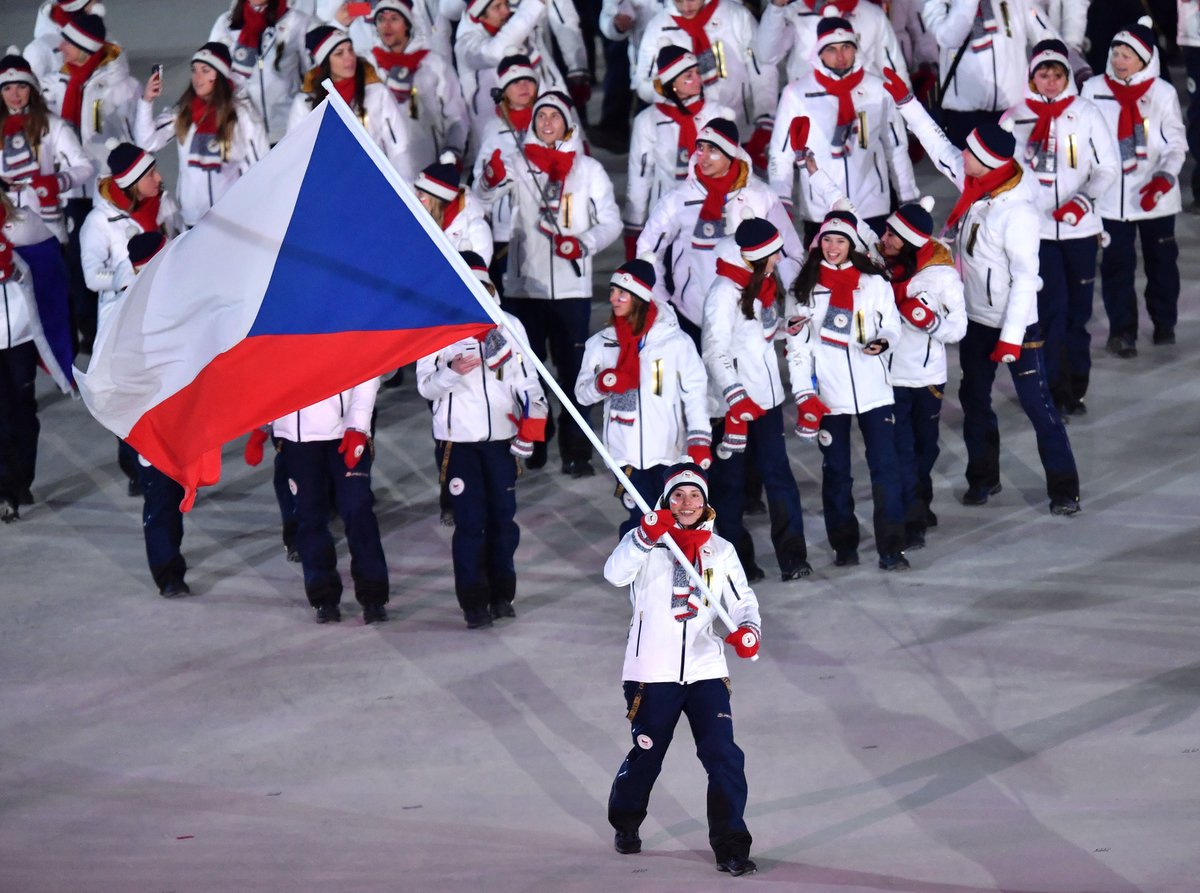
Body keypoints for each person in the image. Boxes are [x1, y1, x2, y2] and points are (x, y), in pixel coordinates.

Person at [885, 66, 1081, 514]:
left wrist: (1012, 335)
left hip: (1015, 325)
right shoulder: (978, 183)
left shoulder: (1018, 213)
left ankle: (1064, 488)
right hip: (974, 318)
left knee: (1038, 405)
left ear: (988, 163)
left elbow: (1027, 278)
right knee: (975, 400)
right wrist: (906, 103)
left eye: (969, 154)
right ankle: (984, 478)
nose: (962, 157)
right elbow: (938, 148)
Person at [604, 463, 760, 877]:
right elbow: (614, 574)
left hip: (705, 667)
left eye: (694, 496)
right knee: (648, 756)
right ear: (666, 501)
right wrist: (642, 537)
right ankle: (625, 819)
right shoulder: (647, 542)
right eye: (678, 496)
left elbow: (742, 599)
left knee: (723, 756)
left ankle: (731, 846)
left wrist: (748, 629)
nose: (686, 503)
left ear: (705, 502)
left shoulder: (720, 549)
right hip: (651, 672)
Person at [472, 90, 621, 477]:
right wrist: (489, 181)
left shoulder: (588, 170)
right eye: (541, 117)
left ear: (568, 123)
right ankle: (536, 440)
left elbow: (611, 222)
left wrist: (584, 243)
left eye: (554, 116)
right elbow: (482, 202)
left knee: (574, 371)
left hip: (572, 291)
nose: (547, 123)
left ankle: (576, 450)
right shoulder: (519, 165)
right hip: (526, 289)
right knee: (529, 370)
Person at [416, 254, 548, 627]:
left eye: (480, 287)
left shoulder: (510, 326)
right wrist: (451, 372)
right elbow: (425, 386)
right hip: (458, 443)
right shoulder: (438, 328)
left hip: (502, 441)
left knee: (503, 521)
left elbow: (530, 380)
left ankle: (502, 594)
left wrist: (530, 425)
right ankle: (473, 602)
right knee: (471, 523)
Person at [784, 209, 908, 569]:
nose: (833, 247)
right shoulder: (804, 289)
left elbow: (893, 327)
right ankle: (844, 545)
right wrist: (805, 395)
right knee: (837, 472)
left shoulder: (874, 283)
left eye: (840, 240)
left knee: (885, 470)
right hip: (831, 397)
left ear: (852, 244)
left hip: (876, 392)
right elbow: (797, 350)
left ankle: (891, 547)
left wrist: (882, 343)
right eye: (827, 239)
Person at [1001, 39, 1117, 413]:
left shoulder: (1085, 113)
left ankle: (1075, 388)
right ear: (1032, 77)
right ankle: (1052, 390)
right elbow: (1001, 175)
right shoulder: (1014, 117)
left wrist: (1082, 202)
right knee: (1050, 313)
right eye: (1043, 75)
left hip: (1079, 231)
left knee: (1077, 315)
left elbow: (1107, 167)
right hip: (1035, 234)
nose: (1050, 82)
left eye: (1057, 74)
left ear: (1066, 76)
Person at [702, 217, 812, 580]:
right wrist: (735, 395)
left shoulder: (762, 282)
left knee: (779, 477)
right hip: (734, 408)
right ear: (759, 256)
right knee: (730, 486)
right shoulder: (723, 292)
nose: (781, 258)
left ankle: (794, 557)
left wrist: (783, 328)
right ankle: (739, 565)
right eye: (775, 253)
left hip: (768, 401)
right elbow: (714, 350)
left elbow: (755, 336)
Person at [575, 257, 711, 536]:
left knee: (674, 522)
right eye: (612, 292)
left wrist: (699, 439)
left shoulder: (674, 342)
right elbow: (582, 395)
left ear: (639, 297)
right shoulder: (601, 343)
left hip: (667, 452)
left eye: (621, 293)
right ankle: (641, 575)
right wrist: (602, 384)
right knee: (643, 521)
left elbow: (695, 393)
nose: (613, 298)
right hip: (624, 455)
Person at [636, 118, 803, 345]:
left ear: (730, 153)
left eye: (712, 149)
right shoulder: (679, 199)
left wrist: (795, 304)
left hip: (749, 314)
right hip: (690, 316)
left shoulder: (760, 195)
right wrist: (663, 302)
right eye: (700, 148)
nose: (702, 156)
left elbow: (789, 252)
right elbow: (647, 249)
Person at [79, 142, 182, 496]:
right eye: (150, 174)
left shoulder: (163, 205)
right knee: (129, 397)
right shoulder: (99, 222)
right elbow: (92, 277)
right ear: (134, 182)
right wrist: (130, 277)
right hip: (121, 324)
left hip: (162, 315)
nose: (159, 177)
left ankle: (164, 462)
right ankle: (137, 466)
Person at [1081, 19, 1186, 355]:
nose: (1119, 60)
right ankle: (1122, 331)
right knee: (1116, 267)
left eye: (1127, 54)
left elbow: (1175, 144)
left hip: (1155, 196)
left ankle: (1164, 322)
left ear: (1143, 59)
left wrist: (1163, 178)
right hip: (1113, 198)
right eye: (1115, 52)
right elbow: (1084, 142)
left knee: (1162, 263)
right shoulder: (1093, 88)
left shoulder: (1162, 92)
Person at [768, 16, 919, 244]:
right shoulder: (796, 93)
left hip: (872, 206)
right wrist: (781, 201)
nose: (840, 56)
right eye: (831, 49)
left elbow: (896, 147)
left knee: (876, 274)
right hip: (822, 209)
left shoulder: (877, 88)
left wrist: (908, 197)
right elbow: (781, 154)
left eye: (846, 47)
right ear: (819, 52)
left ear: (855, 48)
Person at [40, 12, 139, 352]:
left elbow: (134, 134)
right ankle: (88, 331)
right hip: (70, 189)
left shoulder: (117, 86)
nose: (60, 47)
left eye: (67, 42)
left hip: (105, 189)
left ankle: (114, 329)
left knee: (109, 258)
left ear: (83, 47)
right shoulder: (56, 82)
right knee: (75, 262)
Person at [877, 199, 967, 549]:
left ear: (910, 242)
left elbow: (957, 327)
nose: (884, 239)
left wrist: (929, 322)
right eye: (885, 232)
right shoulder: (881, 268)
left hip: (927, 378)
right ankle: (912, 520)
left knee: (925, 449)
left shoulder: (942, 276)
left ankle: (920, 503)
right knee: (903, 452)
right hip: (890, 379)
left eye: (892, 235)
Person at [272, 375, 390, 624]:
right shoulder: (279, 334)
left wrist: (357, 426)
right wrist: (261, 424)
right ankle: (323, 598)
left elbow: (369, 371)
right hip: (297, 439)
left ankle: (373, 597)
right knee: (309, 518)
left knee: (357, 509)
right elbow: (262, 375)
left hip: (344, 432)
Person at [118, 231, 194, 596]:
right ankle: (168, 574)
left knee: (174, 495)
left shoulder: (180, 304)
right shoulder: (123, 317)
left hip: (181, 419)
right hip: (150, 424)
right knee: (161, 499)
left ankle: (171, 562)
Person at [134, 43, 269, 229]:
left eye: (205, 70)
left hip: (234, 220)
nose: (197, 77)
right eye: (194, 70)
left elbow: (261, 167)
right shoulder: (183, 112)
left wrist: (256, 211)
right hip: (193, 220)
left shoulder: (242, 114)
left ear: (219, 75)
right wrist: (146, 101)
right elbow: (147, 142)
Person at [623, 46, 734, 260]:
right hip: (668, 216)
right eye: (688, 75)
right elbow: (639, 177)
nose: (697, 79)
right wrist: (634, 227)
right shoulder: (648, 120)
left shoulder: (718, 114)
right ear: (671, 83)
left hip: (713, 211)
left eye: (697, 73)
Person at [920, 0, 1061, 147]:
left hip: (1012, 108)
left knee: (1015, 168)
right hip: (965, 113)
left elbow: (1047, 37)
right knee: (969, 167)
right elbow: (949, 38)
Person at [634, 0, 777, 143]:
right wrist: (671, 89)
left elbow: (761, 67)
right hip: (682, 133)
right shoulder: (658, 27)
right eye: (678, 0)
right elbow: (643, 84)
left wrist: (764, 115)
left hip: (738, 125)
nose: (686, 6)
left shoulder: (734, 15)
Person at [288, 26, 418, 182]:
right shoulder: (304, 104)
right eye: (339, 54)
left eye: (351, 50)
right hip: (331, 188)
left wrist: (406, 187)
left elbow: (399, 147)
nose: (349, 58)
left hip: (375, 184)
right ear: (325, 62)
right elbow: (296, 156)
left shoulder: (377, 92)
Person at [453, 0, 579, 149]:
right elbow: (495, 52)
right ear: (480, 15)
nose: (506, 11)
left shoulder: (510, 32)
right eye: (497, 7)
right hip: (494, 137)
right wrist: (532, 6)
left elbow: (543, 73)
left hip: (534, 126)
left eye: (506, 4)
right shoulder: (466, 44)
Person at [0, 51, 94, 244]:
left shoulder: (52, 124)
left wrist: (55, 183)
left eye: (21, 86)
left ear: (32, 88)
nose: (14, 95)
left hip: (44, 223)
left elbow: (84, 167)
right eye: (7, 88)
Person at [365, 0, 469, 169]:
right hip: (384, 171)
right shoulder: (366, 66)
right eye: (381, 19)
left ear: (407, 23)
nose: (387, 25)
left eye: (394, 18)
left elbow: (457, 116)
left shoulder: (434, 63)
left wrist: (453, 151)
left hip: (430, 169)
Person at [471, 54, 542, 293]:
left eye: (528, 81)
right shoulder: (494, 128)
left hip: (545, 226)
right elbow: (481, 184)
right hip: (505, 230)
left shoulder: (551, 120)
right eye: (515, 82)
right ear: (504, 90)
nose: (523, 87)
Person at [210, 0, 312, 145]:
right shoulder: (226, 24)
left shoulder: (296, 21)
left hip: (287, 129)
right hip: (243, 133)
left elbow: (312, 72)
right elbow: (214, 72)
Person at [0, 197, 40, 523]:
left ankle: (23, 479)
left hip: (21, 335)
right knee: (1, 417)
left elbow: (47, 265)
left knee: (24, 409)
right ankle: (5, 491)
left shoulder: (22, 224)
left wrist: (17, 269)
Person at [757, 0, 910, 84]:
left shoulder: (872, 14)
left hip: (863, 112)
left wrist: (907, 111)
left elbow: (894, 69)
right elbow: (767, 55)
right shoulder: (794, 13)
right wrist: (776, 7)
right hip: (810, 110)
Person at [414, 156, 494, 262]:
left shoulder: (475, 229)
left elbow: (475, 275)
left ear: (436, 198)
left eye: (420, 193)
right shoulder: (420, 218)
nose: (415, 197)